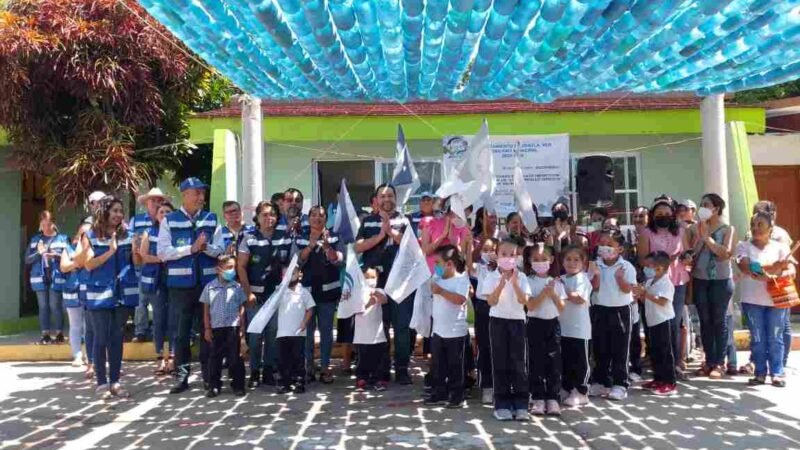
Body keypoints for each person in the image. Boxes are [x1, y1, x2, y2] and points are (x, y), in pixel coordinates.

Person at [157, 177, 223, 394]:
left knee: (208, 332)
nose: (201, 197)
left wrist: (206, 248)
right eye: (197, 193)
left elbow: (220, 249)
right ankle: (182, 378)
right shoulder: (170, 220)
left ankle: (209, 377)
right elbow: (163, 253)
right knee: (181, 334)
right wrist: (190, 249)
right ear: (185, 195)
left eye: (203, 193)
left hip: (207, 285)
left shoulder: (211, 219)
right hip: (180, 287)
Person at [79, 196, 138, 398]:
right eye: (115, 210)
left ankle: (115, 382)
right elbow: (89, 264)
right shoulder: (90, 235)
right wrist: (111, 251)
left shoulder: (128, 235)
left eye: (121, 211)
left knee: (116, 337)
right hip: (99, 293)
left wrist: (137, 250)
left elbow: (137, 263)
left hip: (122, 294)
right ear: (104, 212)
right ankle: (101, 383)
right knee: (101, 337)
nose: (119, 214)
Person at [355, 184, 413, 385]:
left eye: (390, 195)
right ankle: (382, 370)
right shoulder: (368, 221)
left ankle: (402, 369)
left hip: (401, 282)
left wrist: (392, 233)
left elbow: (412, 247)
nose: (387, 199)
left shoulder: (405, 219)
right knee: (380, 326)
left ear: (395, 198)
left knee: (402, 327)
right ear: (376, 200)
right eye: (383, 196)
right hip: (376, 282)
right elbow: (358, 247)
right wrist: (380, 235)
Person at [736, 212, 794, 387]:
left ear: (771, 228)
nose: (755, 228)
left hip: (777, 300)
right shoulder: (743, 246)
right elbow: (744, 266)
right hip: (752, 300)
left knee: (775, 337)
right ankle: (760, 373)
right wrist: (770, 269)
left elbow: (791, 270)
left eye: (760, 224)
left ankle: (777, 373)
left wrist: (778, 274)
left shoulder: (781, 247)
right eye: (753, 225)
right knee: (758, 338)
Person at [638, 197, 691, 378]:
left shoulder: (681, 231)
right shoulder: (646, 233)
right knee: (658, 323)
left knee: (674, 322)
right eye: (659, 213)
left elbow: (687, 253)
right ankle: (659, 364)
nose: (663, 216)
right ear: (653, 215)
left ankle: (675, 363)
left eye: (667, 213)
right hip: (656, 282)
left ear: (673, 215)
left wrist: (686, 257)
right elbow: (642, 259)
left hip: (677, 280)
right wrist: (663, 260)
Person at [478, 237, 531, 422]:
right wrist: (501, 284)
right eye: (504, 254)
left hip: (517, 322)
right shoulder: (491, 276)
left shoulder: (522, 277)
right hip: (498, 322)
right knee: (500, 362)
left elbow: (524, 301)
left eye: (512, 255)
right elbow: (491, 301)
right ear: (497, 255)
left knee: (518, 363)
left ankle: (521, 404)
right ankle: (502, 404)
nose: (508, 258)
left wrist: (514, 283)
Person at [237, 201, 288, 387]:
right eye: (265, 214)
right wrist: (248, 293)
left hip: (276, 296)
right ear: (257, 218)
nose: (269, 218)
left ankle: (268, 372)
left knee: (272, 335)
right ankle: (254, 373)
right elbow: (241, 267)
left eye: (272, 214)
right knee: (255, 336)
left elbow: (291, 263)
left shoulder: (284, 237)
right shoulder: (248, 238)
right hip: (255, 297)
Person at [297, 206, 344, 384]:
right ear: (308, 218)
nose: (317, 218)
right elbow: (297, 260)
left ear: (326, 219)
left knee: (326, 332)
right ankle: (308, 368)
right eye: (314, 215)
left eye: (321, 216)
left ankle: (325, 368)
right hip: (306, 294)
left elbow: (339, 260)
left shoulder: (334, 236)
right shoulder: (301, 237)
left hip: (328, 294)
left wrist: (327, 248)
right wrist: (310, 245)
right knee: (307, 334)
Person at [589, 229, 637, 401]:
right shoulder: (594, 264)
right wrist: (595, 274)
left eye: (610, 244)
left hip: (620, 310)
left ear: (620, 249)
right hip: (599, 309)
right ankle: (601, 381)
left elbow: (628, 289)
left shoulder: (626, 266)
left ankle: (620, 384)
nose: (605, 247)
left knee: (620, 349)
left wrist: (619, 279)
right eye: (602, 244)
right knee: (600, 347)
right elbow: (593, 288)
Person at [691, 194, 735, 379]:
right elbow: (691, 252)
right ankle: (709, 361)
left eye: (706, 205)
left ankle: (719, 363)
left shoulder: (727, 229)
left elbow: (725, 253)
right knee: (705, 321)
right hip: (700, 279)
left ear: (716, 209)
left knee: (719, 320)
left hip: (721, 281)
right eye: (701, 204)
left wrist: (707, 238)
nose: (702, 207)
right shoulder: (695, 227)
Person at [425, 245, 471, 409]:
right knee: (438, 365)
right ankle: (439, 393)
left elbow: (460, 299)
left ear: (449, 264)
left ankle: (457, 396)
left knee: (455, 366)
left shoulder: (461, 280)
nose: (435, 266)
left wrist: (441, 292)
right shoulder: (436, 279)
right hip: (438, 331)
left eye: (438, 263)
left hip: (456, 332)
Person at [524, 243, 566, 416]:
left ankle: (553, 398)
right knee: (536, 362)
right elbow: (530, 305)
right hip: (534, 325)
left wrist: (553, 293)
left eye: (544, 259)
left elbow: (561, 307)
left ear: (552, 260)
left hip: (552, 325)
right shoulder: (528, 281)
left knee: (554, 362)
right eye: (536, 259)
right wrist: (543, 293)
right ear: (529, 261)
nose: (540, 262)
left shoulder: (557, 282)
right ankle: (538, 398)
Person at [752, 200, 794, 369]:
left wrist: (774, 272)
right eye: (755, 213)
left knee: (782, 326)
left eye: (761, 213)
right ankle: (757, 363)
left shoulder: (780, 235)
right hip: (757, 289)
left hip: (779, 286)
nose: (756, 217)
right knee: (759, 332)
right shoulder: (751, 233)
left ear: (772, 215)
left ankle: (781, 363)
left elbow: (787, 262)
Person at [136, 201, 176, 375]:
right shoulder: (149, 231)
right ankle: (160, 358)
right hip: (156, 280)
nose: (165, 214)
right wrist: (162, 258)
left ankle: (173, 357)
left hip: (175, 279)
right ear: (156, 215)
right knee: (159, 319)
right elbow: (143, 255)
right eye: (162, 212)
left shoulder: (177, 231)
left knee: (174, 319)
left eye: (168, 212)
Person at [201, 255, 247, 398]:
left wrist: (242, 328)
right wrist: (207, 328)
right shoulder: (210, 287)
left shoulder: (237, 287)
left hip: (233, 327)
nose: (232, 271)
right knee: (215, 358)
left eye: (233, 267)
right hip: (217, 328)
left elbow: (241, 308)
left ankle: (238, 385)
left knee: (235, 358)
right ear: (218, 269)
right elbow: (206, 310)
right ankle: (214, 385)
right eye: (228, 268)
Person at [635, 251, 678, 396]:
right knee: (655, 351)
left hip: (664, 321)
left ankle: (670, 383)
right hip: (652, 321)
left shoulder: (666, 283)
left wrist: (645, 294)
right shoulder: (650, 282)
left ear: (659, 268)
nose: (646, 269)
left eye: (649, 266)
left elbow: (662, 301)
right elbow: (646, 300)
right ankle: (658, 379)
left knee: (665, 353)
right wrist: (639, 294)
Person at [131, 188, 169, 343]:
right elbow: (131, 239)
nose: (156, 203)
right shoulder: (137, 220)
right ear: (146, 202)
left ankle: (158, 332)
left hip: (163, 268)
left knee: (162, 302)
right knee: (141, 301)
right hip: (142, 265)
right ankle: (140, 331)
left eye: (159, 200)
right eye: (152, 200)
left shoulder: (167, 219)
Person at [26, 211, 69, 345]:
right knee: (43, 306)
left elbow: (70, 256)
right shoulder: (35, 240)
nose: (46, 227)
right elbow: (27, 259)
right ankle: (45, 335)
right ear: (40, 224)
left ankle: (59, 334)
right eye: (43, 224)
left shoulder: (62, 238)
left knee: (55, 305)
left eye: (49, 224)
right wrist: (39, 253)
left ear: (53, 223)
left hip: (57, 276)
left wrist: (55, 255)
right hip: (39, 277)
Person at [559, 245, 593, 408]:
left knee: (580, 362)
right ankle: (566, 388)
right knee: (566, 361)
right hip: (563, 328)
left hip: (580, 330)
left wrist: (562, 288)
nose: (572, 263)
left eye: (576, 260)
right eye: (568, 259)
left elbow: (578, 299)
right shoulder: (561, 279)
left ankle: (581, 391)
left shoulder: (582, 279)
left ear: (583, 262)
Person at [276, 266, 315, 394]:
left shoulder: (303, 292)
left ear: (299, 274)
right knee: (283, 359)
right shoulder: (279, 291)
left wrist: (304, 322)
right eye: (286, 273)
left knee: (298, 357)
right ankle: (284, 383)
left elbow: (310, 309)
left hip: (298, 332)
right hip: (282, 332)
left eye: (293, 273)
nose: (290, 275)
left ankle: (299, 381)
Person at [469, 237, 497, 404]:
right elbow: (468, 264)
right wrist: (469, 245)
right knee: (484, 346)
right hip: (482, 307)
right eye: (485, 250)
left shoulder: (503, 268)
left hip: (499, 307)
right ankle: (486, 385)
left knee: (499, 347)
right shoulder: (479, 267)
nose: (489, 253)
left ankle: (500, 384)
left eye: (492, 250)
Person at [351, 267, 389, 392]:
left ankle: (377, 380)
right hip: (362, 334)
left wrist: (374, 293)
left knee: (378, 357)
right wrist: (369, 304)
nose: (370, 280)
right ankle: (362, 378)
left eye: (373, 277)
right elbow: (355, 310)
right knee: (363, 357)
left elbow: (384, 300)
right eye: (367, 277)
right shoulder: (356, 292)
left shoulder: (379, 290)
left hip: (377, 333)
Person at [420, 197, 473, 273]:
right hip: (432, 271)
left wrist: (452, 237)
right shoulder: (429, 221)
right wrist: (442, 236)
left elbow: (461, 255)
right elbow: (425, 251)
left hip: (452, 272)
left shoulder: (461, 226)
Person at [59, 224, 86, 366]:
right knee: (75, 326)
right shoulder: (68, 249)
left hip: (89, 292)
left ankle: (90, 356)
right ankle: (77, 355)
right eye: (82, 234)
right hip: (72, 292)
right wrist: (77, 264)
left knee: (90, 326)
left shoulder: (95, 248)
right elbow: (63, 267)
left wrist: (75, 264)